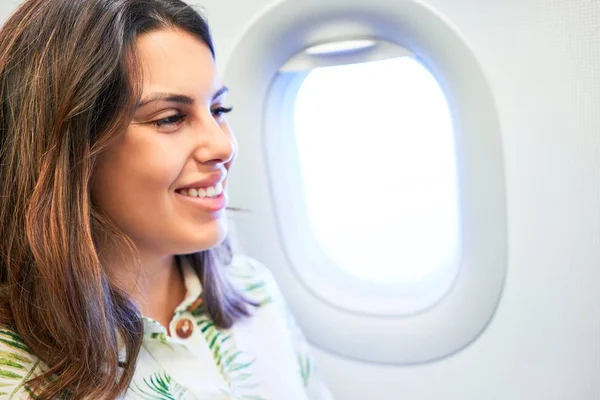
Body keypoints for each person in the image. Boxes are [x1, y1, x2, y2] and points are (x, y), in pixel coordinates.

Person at [0, 0, 333, 398]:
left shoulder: (255, 291)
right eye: (170, 118)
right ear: (71, 153)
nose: (222, 145)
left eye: (218, 109)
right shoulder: (16, 375)